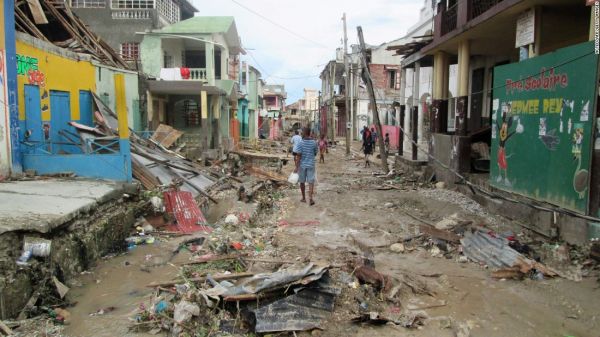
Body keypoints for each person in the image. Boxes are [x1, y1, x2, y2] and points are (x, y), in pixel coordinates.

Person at [295, 127, 318, 206]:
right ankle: (311, 198)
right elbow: (315, 153)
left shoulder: (300, 143)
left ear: (304, 133)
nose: (301, 133)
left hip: (302, 166)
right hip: (311, 164)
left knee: (302, 182)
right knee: (311, 182)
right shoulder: (314, 142)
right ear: (309, 133)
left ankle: (304, 198)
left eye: (302, 132)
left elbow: (298, 156)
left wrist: (296, 167)